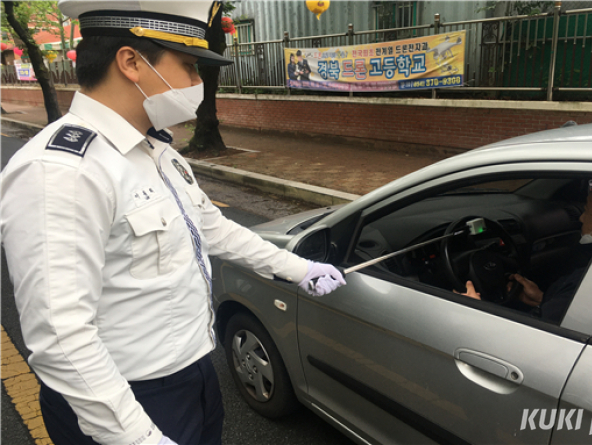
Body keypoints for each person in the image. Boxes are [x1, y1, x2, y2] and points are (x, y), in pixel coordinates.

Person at [0, 2, 345, 445]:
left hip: (195, 371)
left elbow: (213, 228)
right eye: (188, 67)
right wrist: (140, 438)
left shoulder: (158, 151)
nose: (197, 85)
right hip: (124, 399)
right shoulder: (63, 172)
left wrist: (299, 269)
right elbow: (61, 338)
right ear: (131, 62)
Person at [462, 178, 592, 323]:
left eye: (588, 212)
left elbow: (527, 339)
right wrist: (542, 300)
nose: (581, 218)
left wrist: (476, 312)